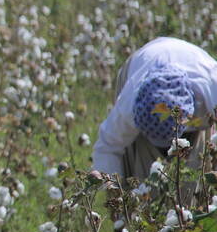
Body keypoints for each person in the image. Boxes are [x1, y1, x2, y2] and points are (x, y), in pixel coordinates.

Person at [92, 37, 217, 181]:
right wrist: (114, 189)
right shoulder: (129, 105)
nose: (165, 152)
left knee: (198, 168)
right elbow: (108, 147)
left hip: (192, 64)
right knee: (138, 174)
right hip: (140, 62)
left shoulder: (212, 87)